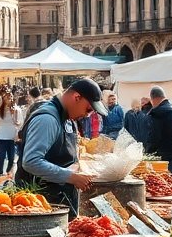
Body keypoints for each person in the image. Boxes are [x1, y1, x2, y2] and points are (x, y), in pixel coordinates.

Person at [16, 79, 106, 215]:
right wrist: (71, 177)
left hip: (58, 202)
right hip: (40, 206)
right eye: (88, 109)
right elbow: (31, 162)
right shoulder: (47, 119)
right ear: (76, 97)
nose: (87, 115)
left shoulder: (67, 117)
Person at [146, 87, 172, 164]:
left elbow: (155, 136)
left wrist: (148, 153)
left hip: (160, 157)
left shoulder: (158, 113)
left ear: (153, 99)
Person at [0, 90, 21, 176]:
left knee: (11, 157)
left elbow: (20, 122)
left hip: (12, 136)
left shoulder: (16, 109)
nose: (9, 99)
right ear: (4, 99)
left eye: (10, 97)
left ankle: (8, 172)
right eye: (7, 98)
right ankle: (0, 173)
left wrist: (18, 133)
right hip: (1, 135)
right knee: (1, 156)